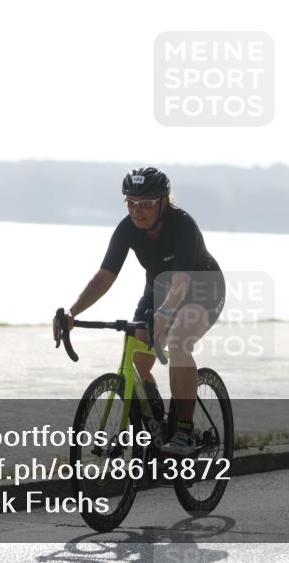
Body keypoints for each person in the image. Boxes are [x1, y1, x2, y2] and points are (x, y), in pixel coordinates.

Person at [59, 167, 225, 455]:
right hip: (158, 289)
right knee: (139, 353)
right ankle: (158, 423)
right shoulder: (127, 229)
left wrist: (166, 312)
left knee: (178, 341)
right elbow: (105, 276)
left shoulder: (183, 225)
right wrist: (73, 312)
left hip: (202, 289)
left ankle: (184, 431)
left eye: (146, 204)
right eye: (131, 203)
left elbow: (182, 281)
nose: (137, 211)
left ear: (164, 202)